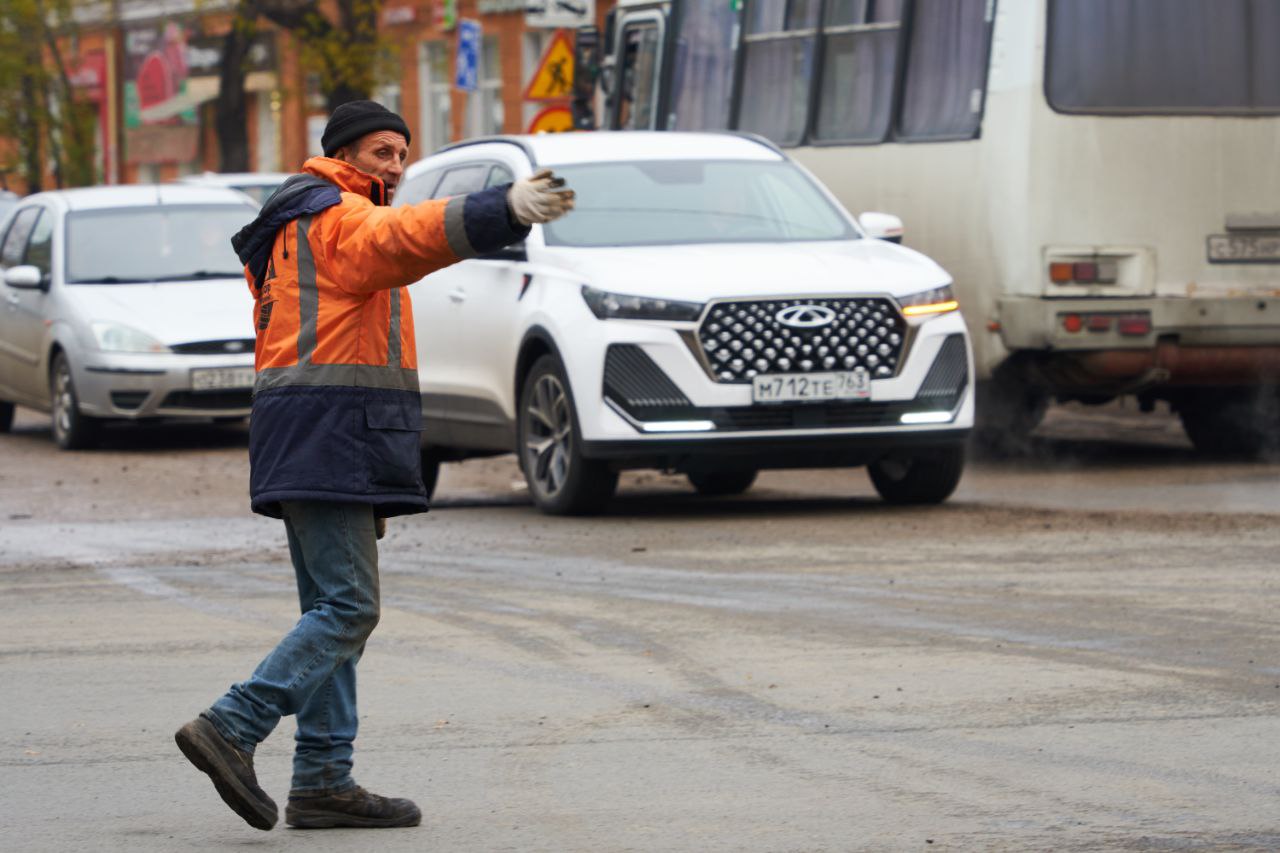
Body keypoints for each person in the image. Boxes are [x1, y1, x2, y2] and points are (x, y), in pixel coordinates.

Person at [174, 100, 574, 832]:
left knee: (330, 612)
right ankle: (233, 722)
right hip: (333, 433)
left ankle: (325, 778)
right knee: (348, 607)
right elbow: (402, 235)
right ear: (343, 156)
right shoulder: (336, 217)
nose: (392, 165)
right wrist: (503, 209)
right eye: (379, 152)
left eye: (400, 153)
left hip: (312, 432)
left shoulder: (298, 223)